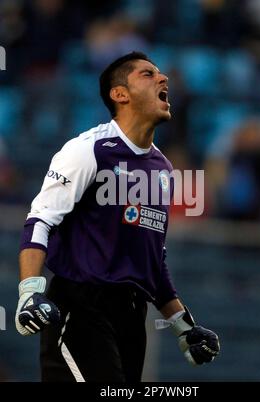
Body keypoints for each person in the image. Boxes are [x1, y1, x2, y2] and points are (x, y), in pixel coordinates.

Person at [15, 51, 220, 382]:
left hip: (131, 316)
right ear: (120, 94)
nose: (163, 78)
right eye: (148, 74)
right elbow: (40, 220)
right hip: (81, 306)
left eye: (160, 73)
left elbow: (153, 262)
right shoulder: (86, 150)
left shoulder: (164, 170)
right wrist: (28, 292)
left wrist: (184, 326)